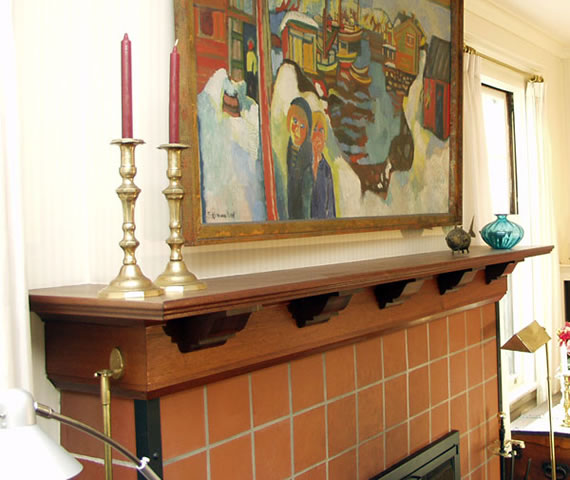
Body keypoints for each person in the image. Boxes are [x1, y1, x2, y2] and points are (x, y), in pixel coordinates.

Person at [286, 97, 313, 219]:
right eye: (295, 121)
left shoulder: (307, 161)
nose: (296, 129)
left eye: (302, 126)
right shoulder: (288, 149)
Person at [310, 111, 336, 218]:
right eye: (314, 130)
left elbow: (331, 210)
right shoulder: (304, 166)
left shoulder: (326, 169)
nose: (318, 135)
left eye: (321, 130)